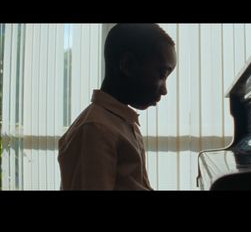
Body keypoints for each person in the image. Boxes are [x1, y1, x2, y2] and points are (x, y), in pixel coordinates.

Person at [58, 24, 176, 190]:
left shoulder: (121, 122)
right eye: (162, 74)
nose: (164, 90)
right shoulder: (96, 129)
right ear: (127, 65)